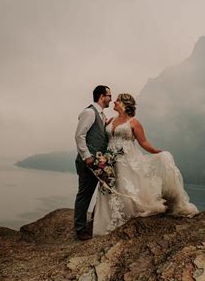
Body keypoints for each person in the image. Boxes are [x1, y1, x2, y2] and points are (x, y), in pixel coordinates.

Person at [93, 93, 198, 236]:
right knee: (110, 187)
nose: (114, 102)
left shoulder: (134, 122)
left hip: (127, 160)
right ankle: (107, 222)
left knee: (126, 188)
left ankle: (126, 218)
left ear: (124, 104)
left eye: (117, 100)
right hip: (109, 161)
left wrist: (157, 152)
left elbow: (143, 142)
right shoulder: (110, 120)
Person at [74, 85, 112, 240]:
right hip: (88, 163)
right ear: (102, 96)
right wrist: (87, 157)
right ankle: (80, 229)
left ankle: (96, 222)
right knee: (85, 195)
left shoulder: (101, 115)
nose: (111, 98)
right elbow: (79, 136)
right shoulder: (90, 112)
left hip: (99, 163)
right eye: (109, 95)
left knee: (103, 192)